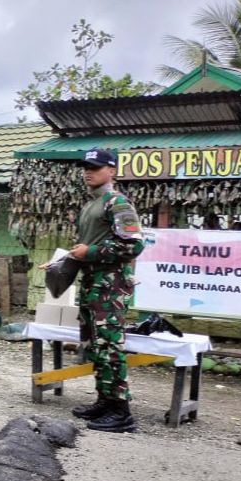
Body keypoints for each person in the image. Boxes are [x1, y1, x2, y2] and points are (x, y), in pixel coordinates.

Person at [68, 148, 144, 433]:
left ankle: (122, 412)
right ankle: (105, 400)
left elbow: (133, 244)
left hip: (110, 285)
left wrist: (90, 251)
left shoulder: (118, 203)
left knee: (110, 345)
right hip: (92, 284)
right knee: (96, 345)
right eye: (86, 167)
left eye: (96, 167)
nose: (88, 171)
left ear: (112, 171)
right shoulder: (91, 205)